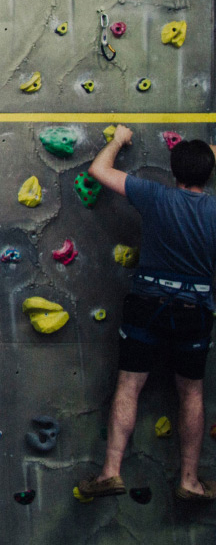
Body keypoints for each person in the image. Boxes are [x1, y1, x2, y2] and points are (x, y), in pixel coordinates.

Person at [78, 125, 216, 501]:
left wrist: (119, 140)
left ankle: (110, 472)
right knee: (190, 394)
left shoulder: (155, 196)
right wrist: (206, 159)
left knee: (129, 385)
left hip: (147, 305)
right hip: (195, 309)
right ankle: (189, 480)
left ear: (174, 172)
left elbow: (99, 171)